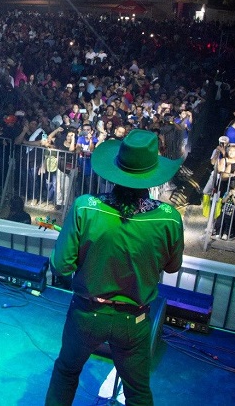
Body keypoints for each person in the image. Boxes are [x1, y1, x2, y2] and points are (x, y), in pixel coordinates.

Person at [46, 129, 184, 406]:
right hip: (134, 321)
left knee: (66, 372)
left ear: (115, 170)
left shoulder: (86, 207)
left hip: (87, 314)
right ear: (152, 176)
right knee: (138, 392)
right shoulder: (170, 218)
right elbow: (172, 267)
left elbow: (61, 265)